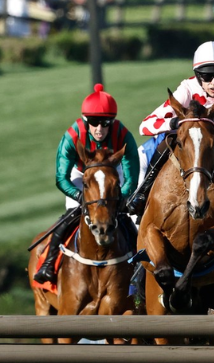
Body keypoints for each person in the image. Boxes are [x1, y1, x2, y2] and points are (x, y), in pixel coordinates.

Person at [127, 41, 214, 229]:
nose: (213, 83)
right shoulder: (187, 89)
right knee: (165, 142)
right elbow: (145, 126)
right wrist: (174, 123)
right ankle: (142, 193)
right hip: (188, 139)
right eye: (207, 76)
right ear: (198, 76)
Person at [32, 85, 140, 286]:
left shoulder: (124, 136)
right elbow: (61, 178)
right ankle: (49, 263)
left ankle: (140, 267)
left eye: (105, 123)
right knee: (72, 214)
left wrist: (119, 198)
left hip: (111, 173)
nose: (100, 129)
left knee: (126, 218)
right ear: (85, 121)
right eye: (94, 123)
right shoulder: (72, 136)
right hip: (81, 174)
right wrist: (79, 196)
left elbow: (131, 178)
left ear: (112, 122)